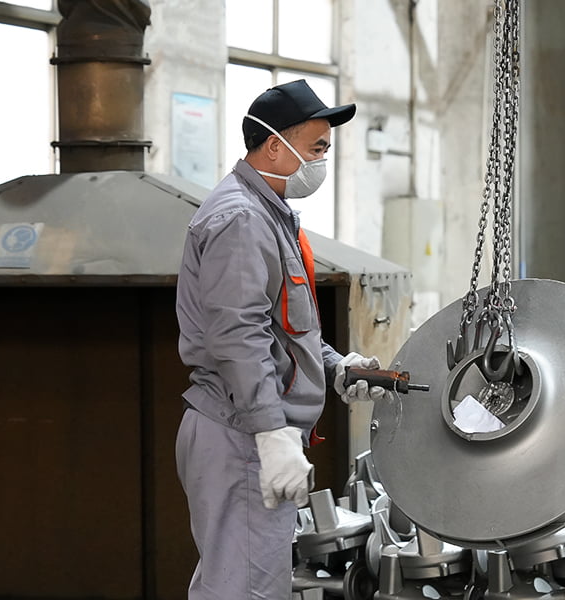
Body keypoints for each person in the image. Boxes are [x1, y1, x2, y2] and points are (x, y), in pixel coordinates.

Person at [174, 79, 385, 599]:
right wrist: (270, 433)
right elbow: (237, 335)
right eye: (316, 149)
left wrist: (336, 366)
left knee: (242, 585)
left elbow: (282, 329)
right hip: (242, 436)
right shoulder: (242, 219)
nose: (321, 162)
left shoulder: (268, 215)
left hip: (248, 431)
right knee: (246, 592)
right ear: (274, 145)